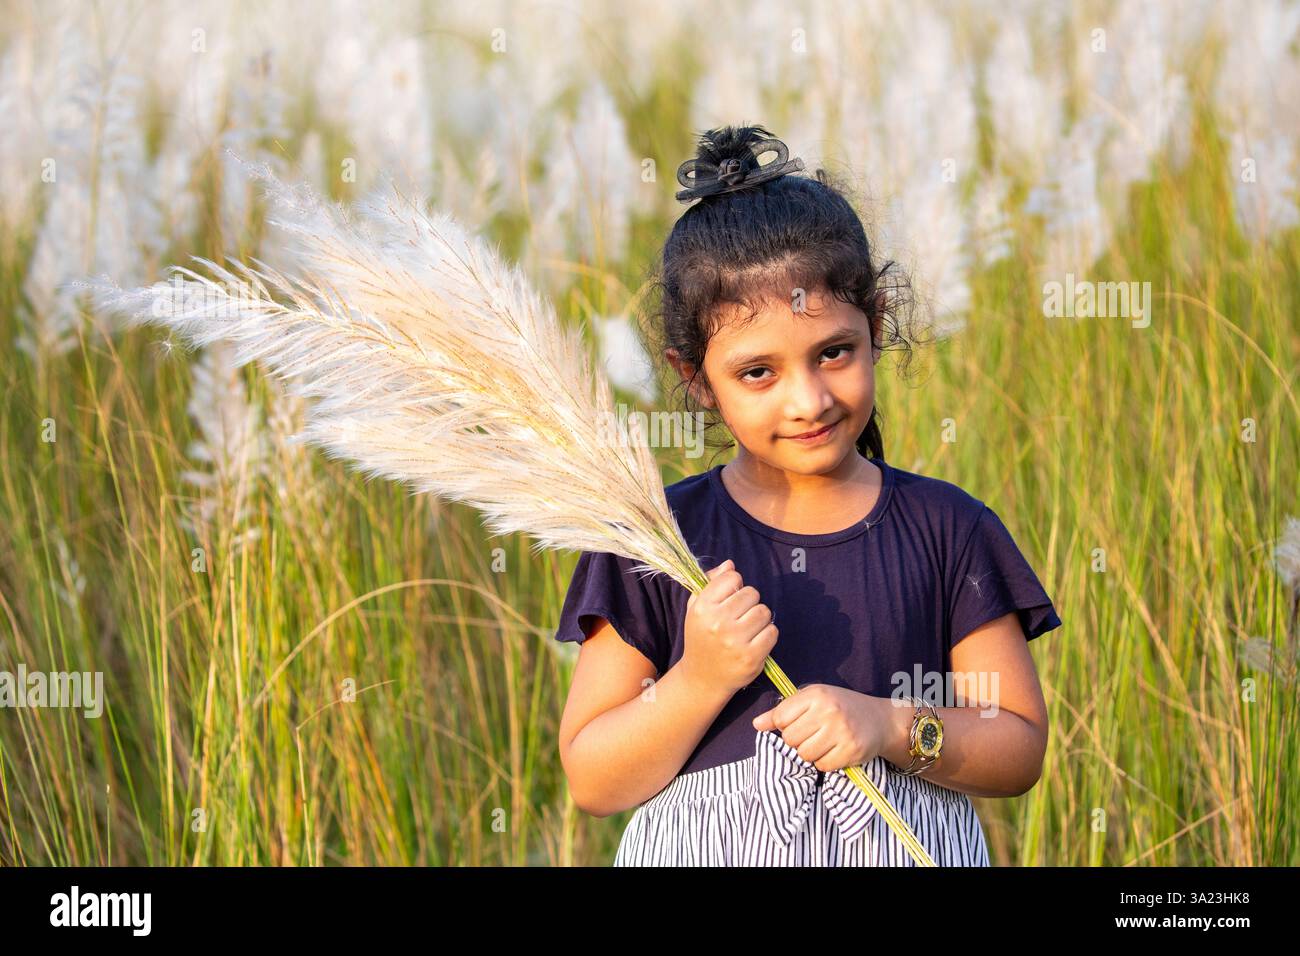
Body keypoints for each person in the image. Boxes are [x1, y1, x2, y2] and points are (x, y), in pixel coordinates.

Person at [553, 124, 1062, 866]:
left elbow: (1017, 745)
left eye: (833, 353)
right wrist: (699, 677)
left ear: (875, 326)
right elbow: (594, 779)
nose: (809, 400)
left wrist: (889, 727)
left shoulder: (949, 530)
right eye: (758, 372)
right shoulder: (656, 539)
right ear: (695, 378)